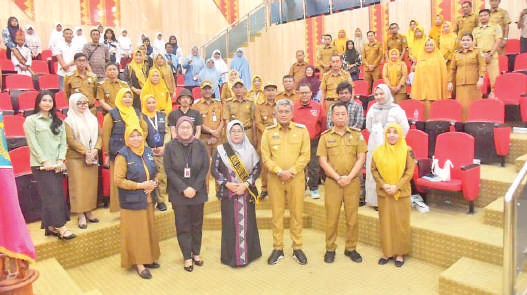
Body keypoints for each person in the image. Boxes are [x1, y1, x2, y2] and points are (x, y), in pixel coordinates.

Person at [261, 99, 310, 265]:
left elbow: (305, 155)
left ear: (292, 113)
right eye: (280, 112)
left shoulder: (302, 131)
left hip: (296, 179)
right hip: (275, 179)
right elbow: (265, 157)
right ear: (275, 114)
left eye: (286, 111)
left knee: (297, 213)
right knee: (277, 214)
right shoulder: (267, 132)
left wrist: (292, 171)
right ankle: (278, 248)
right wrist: (278, 171)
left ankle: (297, 247)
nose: (283, 114)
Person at [318, 101, 367, 264]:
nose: (340, 117)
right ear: (332, 117)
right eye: (337, 114)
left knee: (352, 218)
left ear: (348, 116)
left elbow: (361, 158)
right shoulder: (325, 137)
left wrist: (349, 176)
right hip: (333, 183)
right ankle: (330, 248)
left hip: (352, 182)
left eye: (343, 114)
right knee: (332, 217)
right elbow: (323, 161)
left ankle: (351, 248)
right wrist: (338, 177)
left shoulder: (357, 135)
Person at [23, 91, 75, 240]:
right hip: (42, 166)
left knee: (53, 194)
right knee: (53, 196)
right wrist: (44, 160)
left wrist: (60, 160)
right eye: (44, 100)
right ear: (38, 102)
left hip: (57, 165)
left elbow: (62, 143)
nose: (47, 103)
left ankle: (50, 226)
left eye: (50, 101)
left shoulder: (58, 121)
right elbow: (33, 144)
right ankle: (61, 227)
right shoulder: (31, 121)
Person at [211, 120, 262, 267]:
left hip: (246, 194)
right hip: (228, 194)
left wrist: (246, 184)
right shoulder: (221, 150)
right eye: (233, 131)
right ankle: (231, 257)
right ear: (228, 133)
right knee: (230, 225)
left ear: (243, 132)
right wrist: (226, 183)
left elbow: (257, 169)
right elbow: (214, 170)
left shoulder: (250, 149)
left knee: (248, 224)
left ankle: (249, 255)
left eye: (239, 131)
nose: (236, 134)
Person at [164, 116, 210, 272]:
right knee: (183, 225)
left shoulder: (200, 145)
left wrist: (195, 188)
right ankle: (187, 256)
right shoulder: (170, 146)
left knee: (197, 224)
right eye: (181, 128)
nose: (185, 130)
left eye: (188, 127)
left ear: (193, 129)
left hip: (198, 192)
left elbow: (205, 167)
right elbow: (168, 170)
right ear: (176, 130)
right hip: (179, 193)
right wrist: (184, 188)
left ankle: (196, 252)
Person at [114, 126, 160, 279]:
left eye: (138, 135)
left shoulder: (147, 151)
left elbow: (157, 170)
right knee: (137, 234)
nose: (136, 139)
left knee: (148, 231)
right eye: (132, 136)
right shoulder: (123, 155)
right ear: (127, 138)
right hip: (132, 201)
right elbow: (118, 180)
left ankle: (148, 258)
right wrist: (140, 186)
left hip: (148, 199)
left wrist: (153, 183)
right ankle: (139, 264)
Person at [371, 123, 415, 268]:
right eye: (388, 132)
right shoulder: (378, 151)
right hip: (384, 193)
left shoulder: (407, 150)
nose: (391, 135)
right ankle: (387, 252)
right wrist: (384, 185)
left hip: (401, 193)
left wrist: (396, 186)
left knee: (400, 224)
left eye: (395, 132)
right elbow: (374, 170)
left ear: (400, 134)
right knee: (386, 223)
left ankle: (400, 254)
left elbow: (409, 172)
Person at [102, 88, 149, 213]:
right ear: (119, 98)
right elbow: (106, 135)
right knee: (120, 180)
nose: (127, 99)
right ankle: (120, 209)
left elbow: (144, 129)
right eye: (124, 97)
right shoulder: (111, 114)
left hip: (137, 151)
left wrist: (139, 140)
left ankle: (137, 205)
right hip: (118, 152)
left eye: (129, 97)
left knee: (135, 178)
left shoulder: (137, 112)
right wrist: (106, 153)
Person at [365, 84, 409, 209]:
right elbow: (368, 126)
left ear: (388, 94)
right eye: (376, 94)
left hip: (392, 148)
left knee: (389, 172)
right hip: (375, 146)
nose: (379, 97)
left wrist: (393, 141)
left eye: (381, 94)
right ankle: (375, 201)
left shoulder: (396, 109)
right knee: (374, 172)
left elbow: (404, 128)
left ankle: (390, 199)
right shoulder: (372, 109)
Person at [64, 93, 101, 229]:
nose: (83, 106)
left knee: (90, 185)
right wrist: (86, 152)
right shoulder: (68, 121)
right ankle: (80, 215)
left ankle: (89, 211)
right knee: (78, 187)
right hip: (76, 158)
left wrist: (96, 149)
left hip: (92, 156)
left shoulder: (92, 118)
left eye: (85, 103)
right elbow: (71, 140)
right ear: (73, 104)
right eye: (79, 103)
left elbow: (100, 136)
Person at [293, 84, 326, 199]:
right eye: (302, 93)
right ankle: (301, 188)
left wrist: (321, 139)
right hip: (297, 143)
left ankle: (314, 188)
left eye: (306, 92)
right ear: (298, 94)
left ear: (311, 93)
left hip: (314, 141)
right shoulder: (294, 107)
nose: (304, 95)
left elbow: (323, 124)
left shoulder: (318, 107)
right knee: (299, 166)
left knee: (314, 166)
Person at [142, 95, 169, 211]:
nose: (152, 105)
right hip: (148, 152)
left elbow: (168, 132)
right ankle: (150, 200)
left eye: (154, 102)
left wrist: (164, 146)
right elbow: (140, 136)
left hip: (162, 151)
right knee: (150, 176)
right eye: (149, 103)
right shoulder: (141, 118)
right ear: (144, 104)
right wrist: (149, 149)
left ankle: (161, 201)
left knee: (162, 176)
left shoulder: (162, 115)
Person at [449, 34, 485, 121]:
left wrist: (481, 78)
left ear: (472, 42)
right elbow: (452, 69)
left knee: (474, 106)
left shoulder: (477, 52)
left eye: (468, 40)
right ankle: (462, 125)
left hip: (474, 84)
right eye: (463, 40)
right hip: (460, 84)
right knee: (462, 106)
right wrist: (450, 81)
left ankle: (474, 124)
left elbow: (482, 65)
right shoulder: (456, 54)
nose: (465, 42)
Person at [410, 39, 449, 119]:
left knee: (435, 112)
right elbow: (417, 76)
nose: (429, 47)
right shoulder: (421, 58)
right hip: (423, 90)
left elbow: (443, 74)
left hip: (435, 89)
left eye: (431, 45)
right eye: (427, 45)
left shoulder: (439, 58)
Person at [254, 82, 278, 199]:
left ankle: (277, 189)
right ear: (264, 92)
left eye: (273, 90)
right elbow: (258, 122)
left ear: (276, 92)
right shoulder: (259, 106)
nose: (270, 93)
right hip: (264, 138)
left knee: (278, 162)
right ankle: (264, 188)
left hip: (279, 138)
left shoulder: (280, 105)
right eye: (268, 90)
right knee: (265, 164)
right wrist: (268, 133)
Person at [473, 8, 503, 97]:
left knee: (494, 77)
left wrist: (490, 54)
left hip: (492, 56)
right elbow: (474, 44)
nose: (483, 17)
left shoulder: (496, 27)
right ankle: (479, 95)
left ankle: (494, 94)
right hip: (480, 56)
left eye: (485, 15)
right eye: (481, 16)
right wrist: (482, 55)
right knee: (479, 77)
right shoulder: (476, 30)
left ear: (489, 16)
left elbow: (498, 40)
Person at [192, 80, 224, 156]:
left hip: (218, 138)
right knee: (205, 163)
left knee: (218, 163)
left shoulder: (218, 104)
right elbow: (198, 122)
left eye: (209, 89)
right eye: (204, 89)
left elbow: (223, 120)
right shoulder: (196, 105)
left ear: (212, 91)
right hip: (204, 138)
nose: (207, 91)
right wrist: (211, 132)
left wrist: (217, 132)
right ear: (200, 91)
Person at [223, 80, 256, 146]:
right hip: (234, 133)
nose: (238, 89)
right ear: (232, 89)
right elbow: (227, 120)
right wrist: (230, 134)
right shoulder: (228, 103)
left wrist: (254, 136)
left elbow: (254, 121)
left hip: (247, 132)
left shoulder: (250, 103)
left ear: (244, 89)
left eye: (240, 87)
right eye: (236, 87)